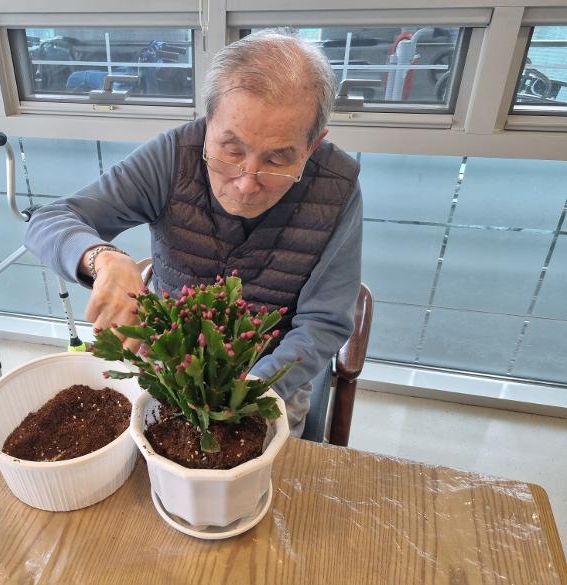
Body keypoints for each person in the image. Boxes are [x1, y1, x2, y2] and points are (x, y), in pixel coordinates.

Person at [25, 30, 362, 436]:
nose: (246, 183)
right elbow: (49, 220)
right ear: (208, 123)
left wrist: (247, 393)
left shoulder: (337, 188)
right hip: (168, 369)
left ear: (313, 146)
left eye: (277, 159)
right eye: (231, 150)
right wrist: (104, 258)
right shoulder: (172, 157)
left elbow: (323, 322)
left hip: (271, 381)